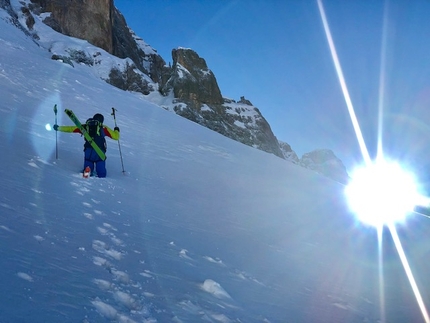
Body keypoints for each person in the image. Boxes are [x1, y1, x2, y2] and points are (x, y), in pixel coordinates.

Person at [54, 113, 120, 177]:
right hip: (99, 152)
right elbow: (116, 137)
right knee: (101, 172)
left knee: (88, 164)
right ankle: (100, 179)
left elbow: (71, 129)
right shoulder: (103, 128)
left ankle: (86, 174)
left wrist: (58, 128)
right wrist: (116, 130)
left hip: (88, 151)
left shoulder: (86, 126)